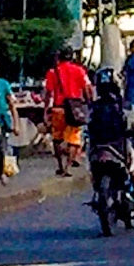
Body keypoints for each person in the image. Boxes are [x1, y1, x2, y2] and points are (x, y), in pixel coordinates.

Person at [44, 47, 93, 177]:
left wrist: (45, 110)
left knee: (57, 139)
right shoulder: (79, 70)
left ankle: (60, 166)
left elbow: (48, 93)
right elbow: (88, 89)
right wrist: (89, 104)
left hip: (58, 108)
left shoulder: (53, 72)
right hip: (75, 109)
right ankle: (67, 167)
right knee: (73, 139)